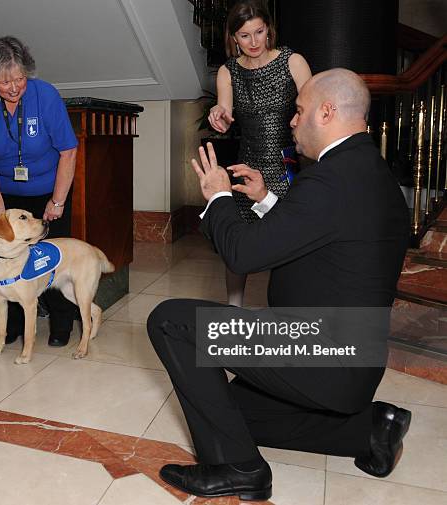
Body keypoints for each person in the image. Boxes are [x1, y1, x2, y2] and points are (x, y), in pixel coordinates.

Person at [147, 69, 412, 501]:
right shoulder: (371, 174)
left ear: (327, 112)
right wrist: (267, 201)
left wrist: (218, 197)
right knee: (233, 412)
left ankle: (238, 468)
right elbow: (326, 240)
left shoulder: (330, 180)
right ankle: (370, 430)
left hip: (319, 350)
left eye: (300, 111)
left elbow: (244, 254)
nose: (292, 120)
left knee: (170, 320)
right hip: (353, 360)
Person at [0, 36, 78, 347]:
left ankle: (61, 323)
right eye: (4, 82)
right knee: (5, 260)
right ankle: (12, 326)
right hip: (5, 195)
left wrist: (58, 201)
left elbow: (68, 150)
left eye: (19, 79)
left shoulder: (46, 95)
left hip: (48, 191)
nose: (14, 87)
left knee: (51, 259)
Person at [208, 0, 311, 307]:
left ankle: (289, 309)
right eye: (244, 35)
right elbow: (224, 111)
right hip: (247, 166)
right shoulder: (228, 72)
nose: (253, 42)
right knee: (237, 245)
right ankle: (234, 310)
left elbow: (313, 108)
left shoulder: (293, 61)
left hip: (287, 166)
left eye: (259, 32)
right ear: (233, 38)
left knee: (290, 241)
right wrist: (218, 113)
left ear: (269, 30)